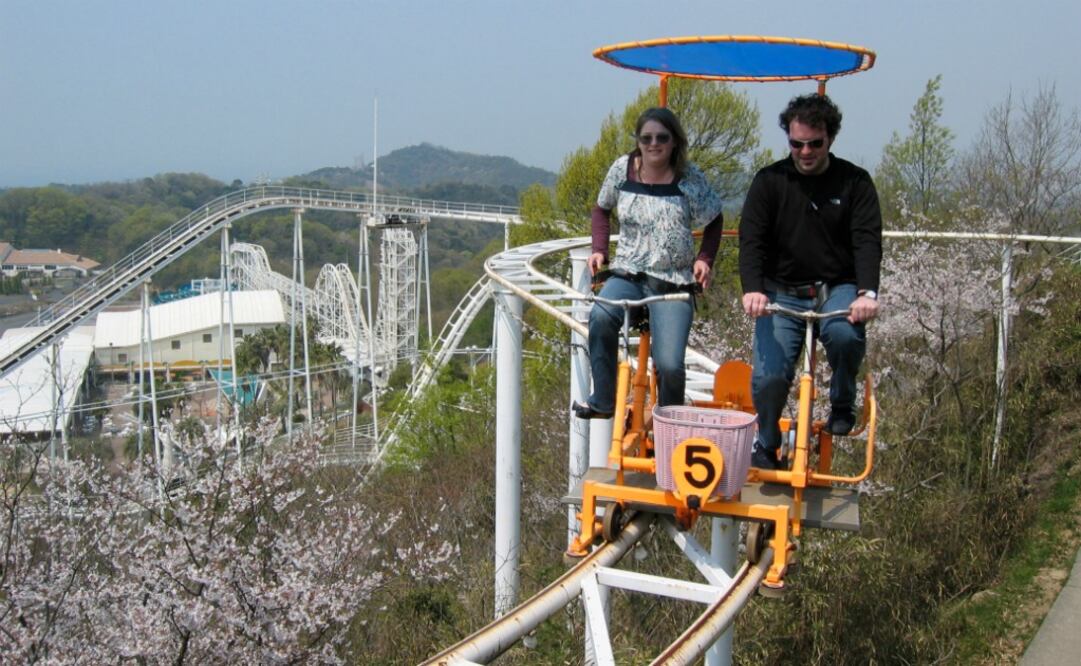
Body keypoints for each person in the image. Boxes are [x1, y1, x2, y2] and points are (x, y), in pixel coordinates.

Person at [738, 93, 883, 470]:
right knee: (769, 377)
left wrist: (867, 291)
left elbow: (867, 239)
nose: (805, 152)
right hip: (781, 291)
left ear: (830, 139)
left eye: (814, 144)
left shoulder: (855, 183)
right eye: (796, 144)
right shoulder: (769, 182)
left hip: (837, 286)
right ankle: (767, 441)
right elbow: (751, 239)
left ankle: (841, 400)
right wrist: (752, 288)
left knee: (845, 334)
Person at [573, 107, 724, 420]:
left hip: (673, 279)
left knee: (669, 363)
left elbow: (714, 218)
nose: (653, 144)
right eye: (646, 138)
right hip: (629, 270)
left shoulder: (690, 178)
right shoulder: (622, 170)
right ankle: (603, 399)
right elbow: (601, 209)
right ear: (638, 141)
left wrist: (705, 259)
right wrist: (599, 249)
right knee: (601, 317)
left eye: (661, 138)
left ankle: (670, 422)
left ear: (674, 142)